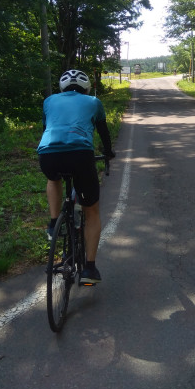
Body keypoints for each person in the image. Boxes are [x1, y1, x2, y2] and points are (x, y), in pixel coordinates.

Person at [37, 69, 115, 285]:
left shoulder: (49, 101)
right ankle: (89, 269)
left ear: (62, 88)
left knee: (54, 179)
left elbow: (47, 128)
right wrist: (108, 152)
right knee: (91, 210)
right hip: (80, 155)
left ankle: (54, 224)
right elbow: (103, 132)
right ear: (86, 87)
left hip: (48, 154)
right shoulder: (93, 101)